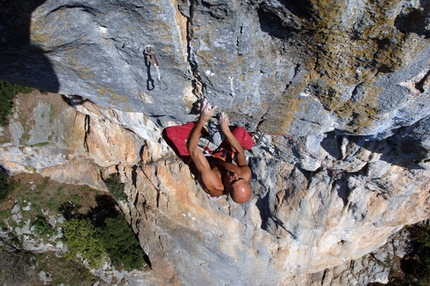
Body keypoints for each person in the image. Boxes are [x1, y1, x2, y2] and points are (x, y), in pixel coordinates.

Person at [163, 99, 254, 203]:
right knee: (240, 132)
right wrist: (226, 130)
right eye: (240, 178)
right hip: (220, 158)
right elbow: (240, 152)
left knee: (169, 133)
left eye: (233, 181)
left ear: (228, 191)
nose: (235, 175)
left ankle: (198, 128)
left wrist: (202, 119)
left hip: (199, 165)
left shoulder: (212, 184)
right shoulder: (244, 174)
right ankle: (250, 142)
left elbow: (192, 149)